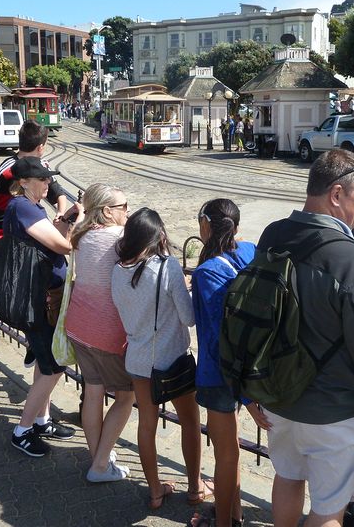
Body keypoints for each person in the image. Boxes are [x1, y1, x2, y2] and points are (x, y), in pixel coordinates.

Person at [255, 149, 354, 527]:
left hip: (278, 399)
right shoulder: (352, 260)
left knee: (287, 476)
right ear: (336, 195)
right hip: (333, 410)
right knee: (328, 508)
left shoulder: (272, 236)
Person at [112, 208, 212, 511]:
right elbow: (189, 317)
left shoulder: (117, 269)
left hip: (138, 359)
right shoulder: (166, 266)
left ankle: (155, 492)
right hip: (172, 359)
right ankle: (195, 487)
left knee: (146, 425)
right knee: (190, 423)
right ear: (159, 236)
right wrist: (185, 287)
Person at [190, 198, 264, 527]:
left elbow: (217, 338)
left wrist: (245, 398)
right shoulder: (251, 251)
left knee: (226, 453)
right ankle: (234, 514)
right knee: (231, 451)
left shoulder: (207, 273)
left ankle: (223, 523)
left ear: (206, 224)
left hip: (218, 372)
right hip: (251, 367)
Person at [4, 156, 82, 458]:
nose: (48, 183)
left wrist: (65, 218)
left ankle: (41, 420)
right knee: (51, 368)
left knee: (43, 363)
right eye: (43, 179)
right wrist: (79, 218)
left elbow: (50, 235)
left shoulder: (31, 206)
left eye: (48, 178)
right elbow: (63, 246)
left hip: (44, 294)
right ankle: (22, 432)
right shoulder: (22, 206)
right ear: (24, 182)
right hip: (39, 299)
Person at [64, 183, 134, 482]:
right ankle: (101, 464)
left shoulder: (81, 235)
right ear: (107, 211)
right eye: (123, 207)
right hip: (108, 333)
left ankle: (98, 456)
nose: (128, 212)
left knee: (92, 393)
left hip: (79, 326)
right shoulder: (121, 238)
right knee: (126, 397)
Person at [0, 120, 67, 253]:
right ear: (40, 147)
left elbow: (57, 191)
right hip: (1, 235)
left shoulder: (41, 166)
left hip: (30, 229)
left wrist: (60, 212)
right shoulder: (6, 169)